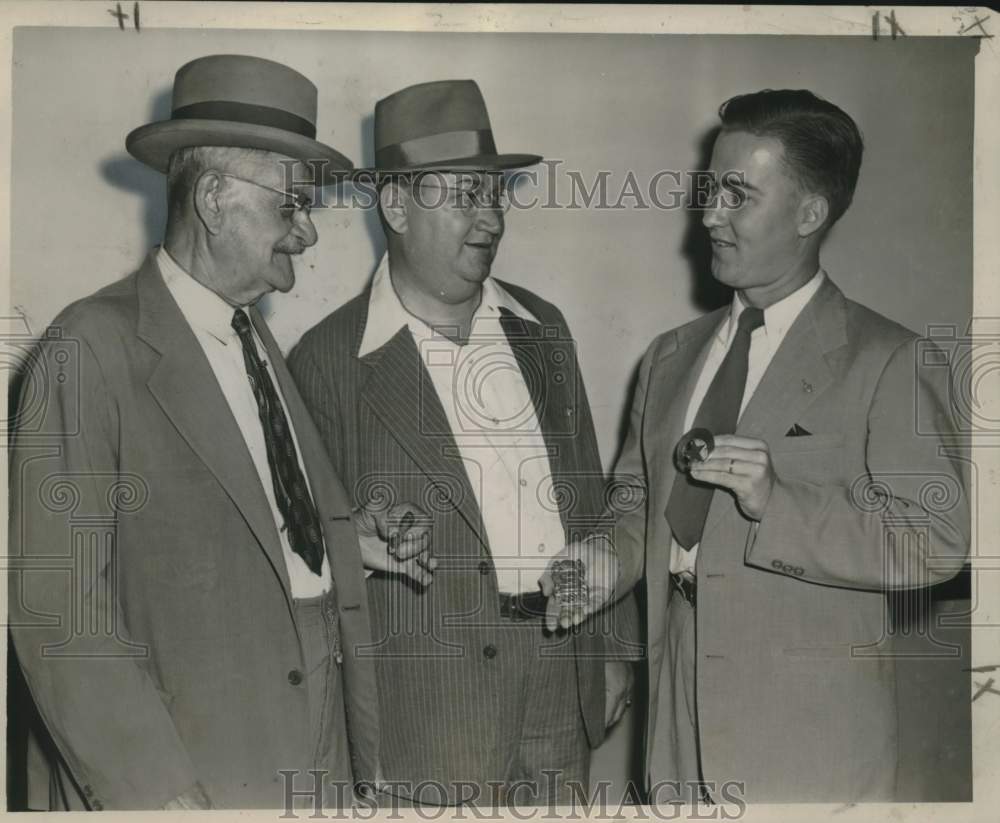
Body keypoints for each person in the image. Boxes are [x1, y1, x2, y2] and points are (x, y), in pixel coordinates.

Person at [7, 54, 429, 811]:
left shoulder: (253, 340)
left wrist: (340, 537)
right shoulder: (88, 349)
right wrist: (161, 795)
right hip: (186, 773)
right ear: (212, 198)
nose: (307, 235)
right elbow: (58, 613)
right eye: (292, 206)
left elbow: (233, 518)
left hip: (314, 758)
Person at [540, 88, 970, 803]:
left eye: (738, 195)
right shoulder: (670, 354)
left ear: (810, 213)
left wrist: (778, 499)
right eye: (711, 189)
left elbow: (937, 539)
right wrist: (604, 560)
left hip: (808, 741)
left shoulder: (891, 359)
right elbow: (638, 497)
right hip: (675, 716)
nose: (709, 214)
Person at [289, 79, 640, 806]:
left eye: (495, 193)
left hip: (556, 691)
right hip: (421, 715)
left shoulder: (543, 328)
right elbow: (301, 546)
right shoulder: (327, 361)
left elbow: (592, 500)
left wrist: (609, 652)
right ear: (394, 206)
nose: (490, 220)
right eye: (462, 197)